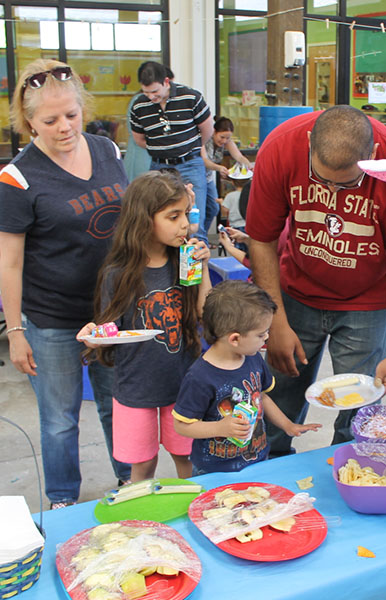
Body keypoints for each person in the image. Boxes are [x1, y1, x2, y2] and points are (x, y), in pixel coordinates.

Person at [246, 105, 386, 456]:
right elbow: (261, 240)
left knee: (359, 416)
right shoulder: (281, 146)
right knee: (279, 400)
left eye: (348, 183)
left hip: (367, 300)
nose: (333, 192)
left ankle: (349, 479)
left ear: (374, 155)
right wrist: (276, 322)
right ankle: (269, 476)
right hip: (296, 290)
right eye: (322, 180)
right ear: (308, 144)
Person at [0, 58, 131, 508]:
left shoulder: (106, 150)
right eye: (49, 120)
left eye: (71, 115)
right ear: (28, 121)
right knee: (60, 420)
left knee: (121, 407)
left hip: (112, 312)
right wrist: (16, 332)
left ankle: (129, 487)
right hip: (53, 319)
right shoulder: (18, 177)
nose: (64, 127)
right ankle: (62, 502)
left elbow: (129, 224)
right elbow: (9, 263)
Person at [77, 170, 212, 482]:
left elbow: (205, 315)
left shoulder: (185, 259)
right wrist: (94, 337)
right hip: (136, 388)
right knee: (142, 466)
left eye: (186, 215)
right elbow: (109, 330)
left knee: (188, 458)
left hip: (183, 385)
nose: (184, 225)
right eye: (172, 216)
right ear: (143, 220)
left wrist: (202, 267)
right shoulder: (119, 273)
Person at [172, 280, 321, 474]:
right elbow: (182, 425)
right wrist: (220, 428)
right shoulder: (199, 377)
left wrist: (288, 425)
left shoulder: (253, 359)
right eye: (261, 335)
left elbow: (262, 397)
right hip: (215, 471)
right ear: (235, 339)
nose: (266, 338)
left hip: (257, 460)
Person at [129, 61, 214, 245]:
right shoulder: (139, 106)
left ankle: (198, 271)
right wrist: (163, 148)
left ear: (166, 82)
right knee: (160, 222)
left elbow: (207, 130)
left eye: (155, 92)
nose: (151, 97)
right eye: (146, 92)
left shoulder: (191, 97)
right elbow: (139, 140)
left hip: (190, 164)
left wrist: (188, 147)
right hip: (160, 166)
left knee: (194, 224)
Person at [201, 116, 252, 240]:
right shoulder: (204, 139)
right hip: (198, 176)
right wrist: (219, 168)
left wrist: (248, 166)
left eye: (227, 138)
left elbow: (239, 157)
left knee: (213, 208)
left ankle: (202, 238)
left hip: (208, 178)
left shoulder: (227, 142)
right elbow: (204, 161)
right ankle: (199, 240)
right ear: (214, 132)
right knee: (199, 212)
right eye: (222, 137)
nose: (224, 141)